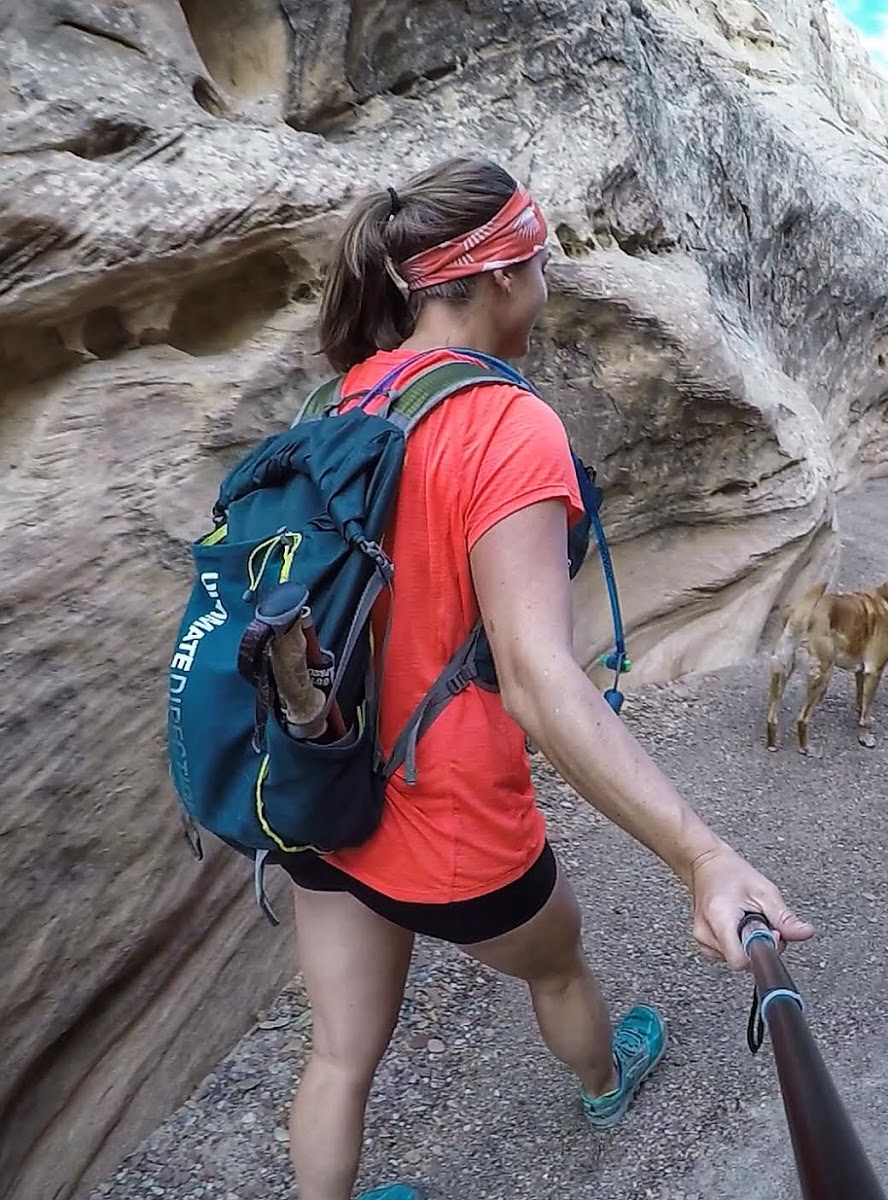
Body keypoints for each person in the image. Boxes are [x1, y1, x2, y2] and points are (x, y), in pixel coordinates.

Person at [277, 155, 814, 1200]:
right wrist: (701, 856)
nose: (546, 287)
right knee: (558, 966)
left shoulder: (333, 401)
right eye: (538, 264)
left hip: (318, 788)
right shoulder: (506, 424)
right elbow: (533, 675)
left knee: (338, 1059)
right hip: (451, 817)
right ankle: (607, 1083)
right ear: (497, 277)